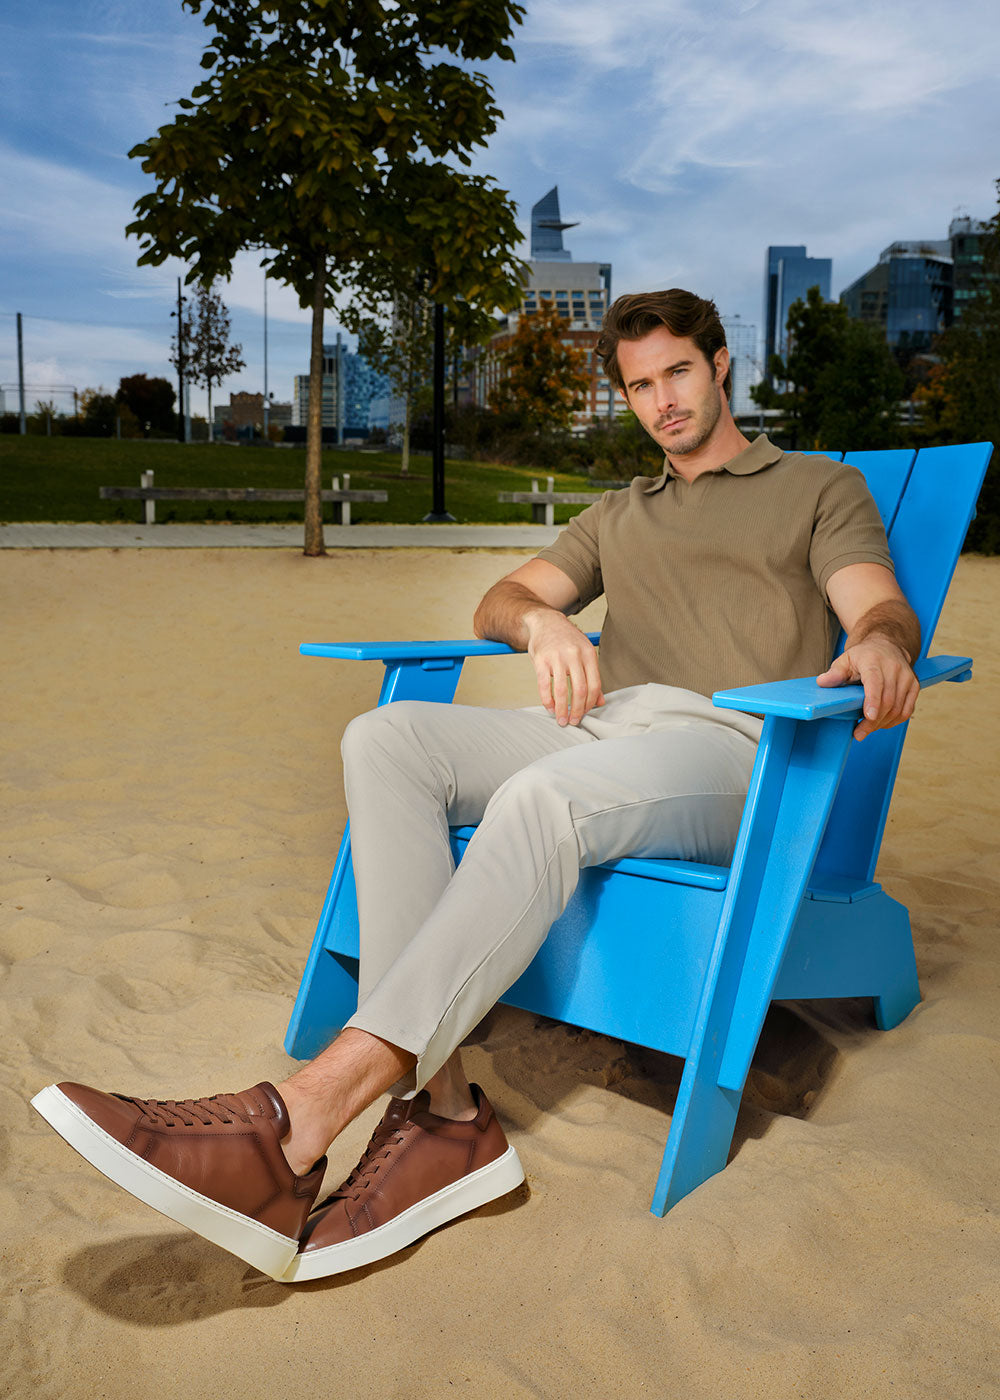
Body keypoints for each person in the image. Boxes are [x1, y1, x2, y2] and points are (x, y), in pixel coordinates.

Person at [32, 288, 921, 1284]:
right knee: (389, 738)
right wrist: (541, 624)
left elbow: (875, 605)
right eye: (639, 385)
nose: (662, 401)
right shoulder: (621, 511)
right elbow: (504, 595)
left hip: (734, 745)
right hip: (602, 731)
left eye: (677, 371)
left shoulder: (814, 485)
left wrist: (882, 644)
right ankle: (446, 1116)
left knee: (537, 800)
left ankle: (302, 1118)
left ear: (719, 365)